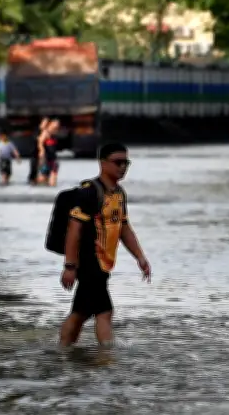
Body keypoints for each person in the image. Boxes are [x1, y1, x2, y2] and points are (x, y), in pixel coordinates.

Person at [59, 142, 152, 347]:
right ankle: (106, 358)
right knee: (104, 312)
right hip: (89, 261)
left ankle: (64, 352)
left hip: (104, 263)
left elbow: (124, 227)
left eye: (126, 163)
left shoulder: (119, 194)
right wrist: (70, 266)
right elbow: (73, 231)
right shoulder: (90, 192)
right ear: (102, 163)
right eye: (118, 162)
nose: (122, 167)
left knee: (80, 313)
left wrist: (140, 257)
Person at [37, 119, 61, 187]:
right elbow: (40, 143)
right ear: (50, 124)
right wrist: (42, 151)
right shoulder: (45, 133)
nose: (56, 127)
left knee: (53, 178)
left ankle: (52, 186)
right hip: (45, 159)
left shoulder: (54, 134)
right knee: (43, 178)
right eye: (55, 125)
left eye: (57, 126)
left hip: (53, 159)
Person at [28, 117, 49, 185]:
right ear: (41, 123)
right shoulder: (37, 131)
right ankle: (32, 181)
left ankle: (41, 181)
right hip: (34, 153)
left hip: (42, 155)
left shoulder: (46, 132)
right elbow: (38, 140)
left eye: (47, 123)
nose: (45, 125)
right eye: (44, 123)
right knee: (33, 169)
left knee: (43, 170)